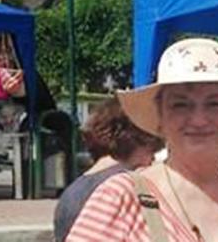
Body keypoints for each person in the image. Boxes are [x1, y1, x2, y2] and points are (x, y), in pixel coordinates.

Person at [66, 38, 218, 241]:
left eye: (215, 104)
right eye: (181, 104)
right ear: (160, 116)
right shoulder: (120, 198)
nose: (199, 120)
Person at [53, 98, 165, 242]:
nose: (153, 158)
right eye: (153, 148)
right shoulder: (126, 189)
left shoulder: (71, 192)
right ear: (139, 139)